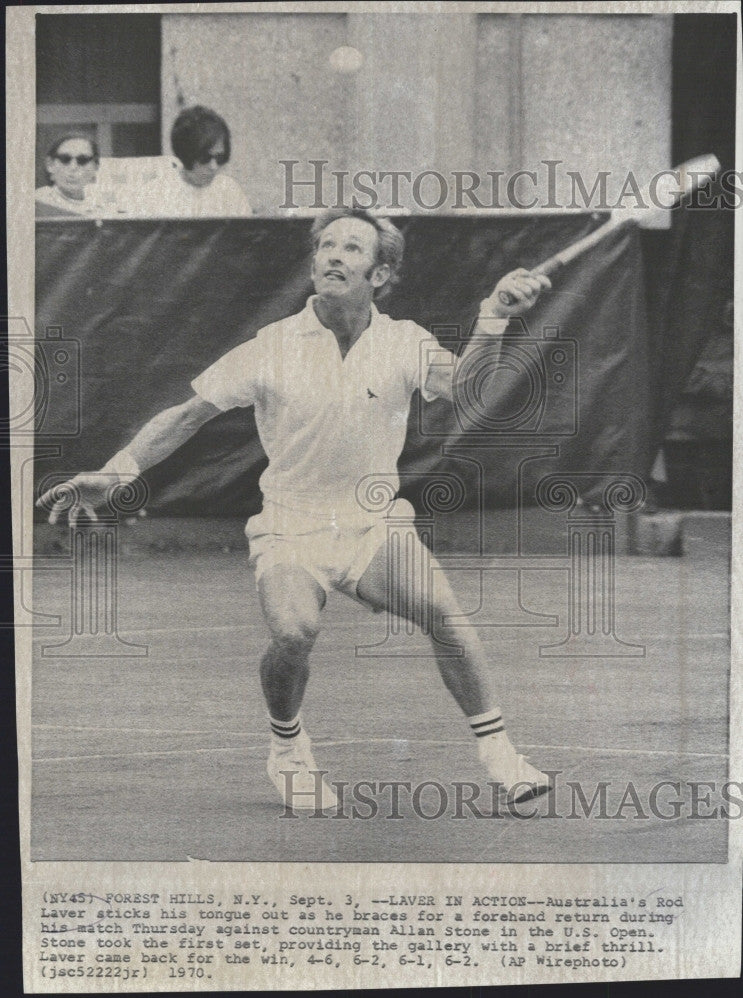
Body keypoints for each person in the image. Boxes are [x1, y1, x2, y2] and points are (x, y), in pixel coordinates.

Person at [38, 208, 552, 812]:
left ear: (381, 273)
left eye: (352, 248)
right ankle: (287, 748)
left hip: (371, 522)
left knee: (446, 613)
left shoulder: (404, 341)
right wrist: (118, 470)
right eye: (325, 246)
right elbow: (187, 414)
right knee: (293, 633)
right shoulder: (272, 346)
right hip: (290, 525)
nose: (333, 255)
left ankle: (500, 756)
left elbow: (467, 391)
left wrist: (493, 319)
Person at [133, 105, 252, 217]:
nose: (213, 166)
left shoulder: (231, 192)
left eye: (220, 158)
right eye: (205, 158)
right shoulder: (159, 194)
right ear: (186, 155)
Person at [35, 134, 102, 216]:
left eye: (83, 160)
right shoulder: (38, 202)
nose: (73, 167)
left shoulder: (102, 203)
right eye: (65, 159)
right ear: (50, 164)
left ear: (96, 166)